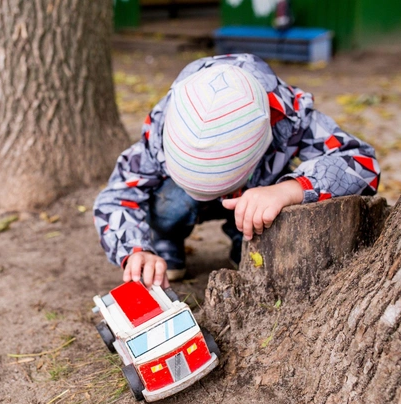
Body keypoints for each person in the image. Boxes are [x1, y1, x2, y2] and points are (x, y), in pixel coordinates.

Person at [93, 54, 380, 288]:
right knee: (171, 204)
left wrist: (288, 190)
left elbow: (361, 162)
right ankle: (166, 237)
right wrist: (135, 249)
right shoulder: (163, 124)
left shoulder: (288, 118)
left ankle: (242, 234)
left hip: (258, 196)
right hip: (182, 200)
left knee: (288, 195)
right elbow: (117, 194)